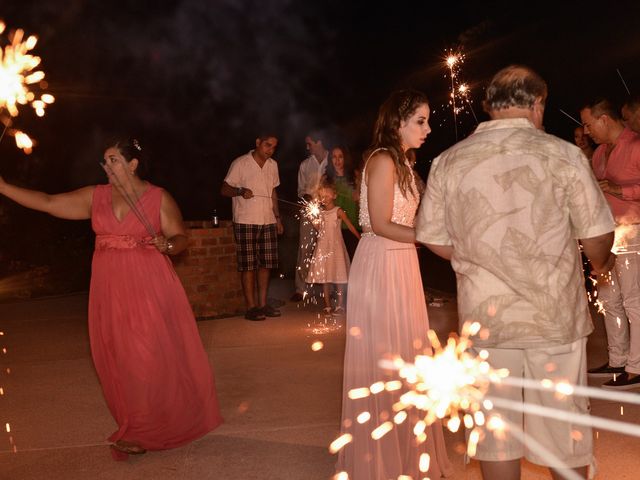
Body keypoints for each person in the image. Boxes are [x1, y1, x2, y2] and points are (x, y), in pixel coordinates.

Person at [417, 65, 615, 480]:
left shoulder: (451, 161)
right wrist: (602, 263)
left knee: (496, 427)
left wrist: (478, 257)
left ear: (490, 105)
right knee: (564, 424)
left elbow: (430, 235)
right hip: (554, 316)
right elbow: (597, 233)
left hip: (486, 317)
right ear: (538, 103)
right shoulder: (562, 155)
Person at [0, 138, 223, 458]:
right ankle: (140, 422)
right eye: (104, 160)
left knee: (143, 353)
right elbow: (49, 201)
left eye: (114, 159)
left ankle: (141, 429)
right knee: (120, 356)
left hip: (148, 285)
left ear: (133, 165)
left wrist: (169, 245)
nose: (107, 166)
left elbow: (180, 237)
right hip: (110, 288)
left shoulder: (158, 197)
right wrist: (5, 187)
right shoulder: (96, 196)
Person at [336, 90, 453, 479]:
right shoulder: (384, 159)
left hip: (401, 262)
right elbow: (381, 223)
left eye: (427, 119)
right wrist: (433, 238)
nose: (428, 128)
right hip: (382, 261)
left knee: (408, 353)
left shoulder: (405, 160)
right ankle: (380, 458)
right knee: (386, 355)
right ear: (397, 122)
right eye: (420, 120)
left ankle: (404, 453)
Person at [581, 98, 640, 389]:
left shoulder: (636, 145)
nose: (587, 130)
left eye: (590, 124)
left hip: (633, 231)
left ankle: (636, 366)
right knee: (607, 300)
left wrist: (619, 189)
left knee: (633, 300)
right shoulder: (599, 153)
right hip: (605, 234)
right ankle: (616, 360)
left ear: (605, 119)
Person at [221, 134, 284, 321]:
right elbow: (224, 189)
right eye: (267, 145)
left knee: (266, 265)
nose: (270, 150)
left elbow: (273, 192)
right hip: (246, 220)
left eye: (273, 147)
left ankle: (263, 304)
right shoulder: (240, 163)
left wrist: (278, 218)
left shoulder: (273, 166)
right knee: (248, 266)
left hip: (268, 219)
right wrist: (240, 191)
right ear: (257, 143)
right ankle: (251, 307)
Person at [305, 182, 360, 314]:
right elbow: (320, 229)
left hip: (336, 248)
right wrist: (312, 219)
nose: (325, 196)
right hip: (323, 247)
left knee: (339, 276)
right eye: (322, 195)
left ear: (334, 195)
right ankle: (327, 305)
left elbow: (350, 225)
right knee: (325, 277)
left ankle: (340, 305)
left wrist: (359, 237)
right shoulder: (321, 213)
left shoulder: (338, 211)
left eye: (327, 193)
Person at [291, 131, 329, 302]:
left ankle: (329, 287)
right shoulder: (305, 165)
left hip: (329, 211)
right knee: (305, 248)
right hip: (309, 211)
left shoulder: (332, 161)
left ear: (319, 142)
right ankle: (301, 288)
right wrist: (306, 199)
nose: (307, 147)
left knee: (329, 248)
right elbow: (300, 191)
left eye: (310, 144)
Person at [324, 145, 360, 259]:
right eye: (334, 157)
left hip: (352, 225)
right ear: (330, 159)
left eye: (340, 157)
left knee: (353, 259)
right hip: (335, 227)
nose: (337, 160)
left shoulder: (355, 176)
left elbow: (360, 198)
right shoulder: (326, 179)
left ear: (345, 158)